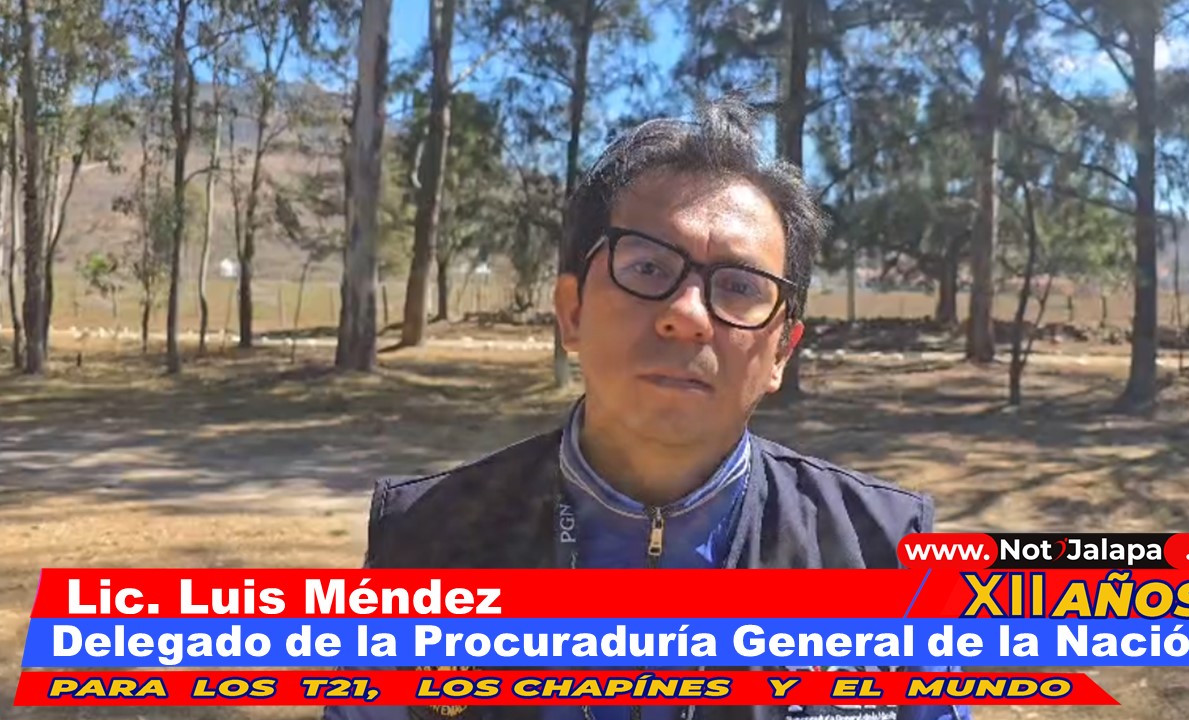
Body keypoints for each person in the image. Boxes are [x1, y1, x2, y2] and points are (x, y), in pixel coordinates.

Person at [324, 98, 971, 720]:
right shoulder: (425, 543)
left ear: (781, 350)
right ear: (572, 313)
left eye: (740, 286)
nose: (686, 315)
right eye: (647, 267)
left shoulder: (881, 550)